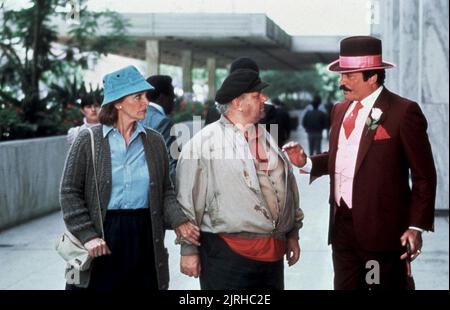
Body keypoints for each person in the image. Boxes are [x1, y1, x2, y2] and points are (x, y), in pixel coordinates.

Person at [283, 36, 437, 290]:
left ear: (372, 77)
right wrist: (308, 162)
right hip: (341, 228)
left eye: (350, 75)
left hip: (382, 232)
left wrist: (415, 226)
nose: (342, 81)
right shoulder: (339, 110)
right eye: (342, 75)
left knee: (377, 287)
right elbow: (341, 155)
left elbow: (424, 175)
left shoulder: (403, 112)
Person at [60, 65, 200, 290]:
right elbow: (69, 191)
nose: (146, 101)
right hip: (103, 236)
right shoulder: (88, 140)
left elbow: (165, 190)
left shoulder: (153, 141)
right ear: (118, 103)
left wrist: (179, 221)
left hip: (143, 235)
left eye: (146, 96)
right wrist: (87, 235)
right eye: (138, 96)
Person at [176, 68, 304, 290]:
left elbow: (288, 188)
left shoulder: (267, 138)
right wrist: (188, 250)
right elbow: (188, 202)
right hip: (226, 256)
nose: (264, 99)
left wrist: (292, 233)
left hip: (273, 256)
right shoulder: (202, 144)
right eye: (257, 96)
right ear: (237, 102)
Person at [141, 75, 178, 185]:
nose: (174, 101)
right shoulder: (163, 122)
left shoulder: (135, 115)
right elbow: (170, 163)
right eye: (172, 97)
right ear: (162, 98)